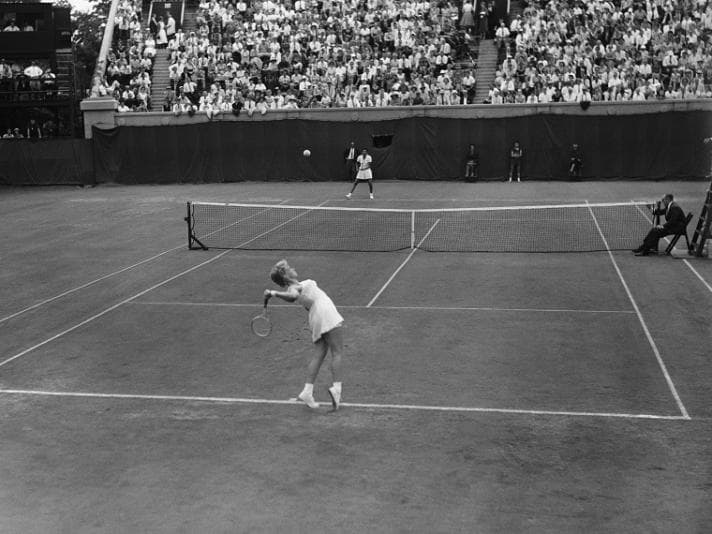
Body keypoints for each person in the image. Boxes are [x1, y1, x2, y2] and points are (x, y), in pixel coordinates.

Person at [264, 259, 344, 411]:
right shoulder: (295, 287)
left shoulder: (295, 286)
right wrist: (273, 293)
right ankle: (337, 390)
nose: (292, 268)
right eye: (289, 268)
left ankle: (307, 391)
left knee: (319, 353)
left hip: (316, 317)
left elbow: (300, 299)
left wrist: (274, 294)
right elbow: (293, 296)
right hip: (326, 312)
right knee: (337, 351)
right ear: (285, 275)